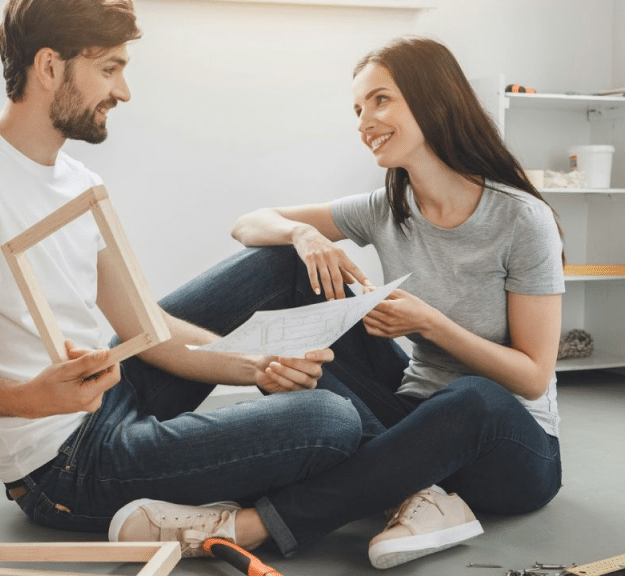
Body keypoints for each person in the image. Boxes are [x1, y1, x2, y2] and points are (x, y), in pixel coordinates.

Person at [0, 0, 367, 551]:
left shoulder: (79, 181)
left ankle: (400, 461)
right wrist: (32, 398)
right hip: (63, 464)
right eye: (109, 68)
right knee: (330, 420)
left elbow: (147, 326)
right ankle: (387, 476)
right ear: (48, 67)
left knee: (279, 262)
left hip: (109, 390)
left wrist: (255, 367)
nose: (124, 91)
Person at [111, 36, 565, 569]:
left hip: (508, 446)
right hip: (411, 418)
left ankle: (249, 525)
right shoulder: (387, 206)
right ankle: (417, 495)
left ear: (434, 99)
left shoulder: (520, 220)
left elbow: (533, 376)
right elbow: (248, 223)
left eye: (380, 100)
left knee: (473, 396)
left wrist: (431, 324)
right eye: (357, 109)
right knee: (287, 266)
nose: (364, 121)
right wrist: (303, 237)